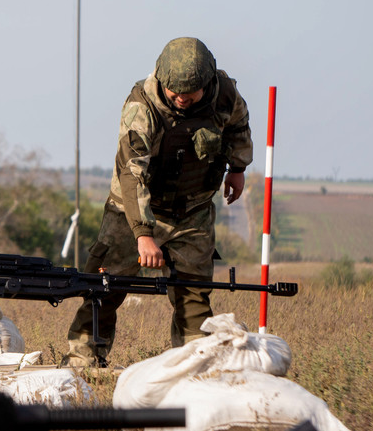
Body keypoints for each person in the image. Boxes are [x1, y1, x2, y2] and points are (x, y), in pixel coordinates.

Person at [61, 37, 252, 367]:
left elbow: (238, 125)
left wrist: (237, 168)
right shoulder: (141, 106)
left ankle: (195, 366)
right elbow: (132, 173)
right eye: (174, 92)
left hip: (192, 212)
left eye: (190, 93)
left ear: (207, 83)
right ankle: (82, 362)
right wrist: (144, 234)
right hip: (132, 210)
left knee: (194, 296)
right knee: (104, 288)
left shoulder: (225, 94)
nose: (181, 98)